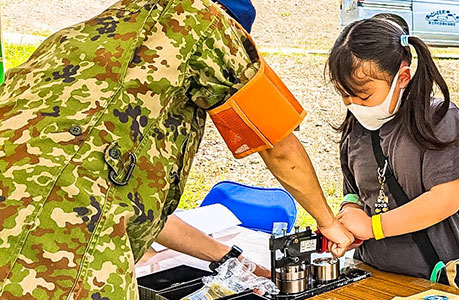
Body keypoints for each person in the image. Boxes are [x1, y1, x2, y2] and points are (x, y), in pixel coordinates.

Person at [0, 0, 354, 298]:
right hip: (56, 257)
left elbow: (117, 202)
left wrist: (228, 257)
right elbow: (278, 146)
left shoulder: (83, 41)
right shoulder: (203, 19)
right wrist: (328, 223)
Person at [327, 14, 459, 279]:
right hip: (375, 272)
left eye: (363, 95)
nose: (353, 104)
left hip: (446, 275)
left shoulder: (439, 119)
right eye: (345, 94)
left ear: (402, 78)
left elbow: (445, 199)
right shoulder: (355, 129)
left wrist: (372, 227)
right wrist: (348, 217)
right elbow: (354, 193)